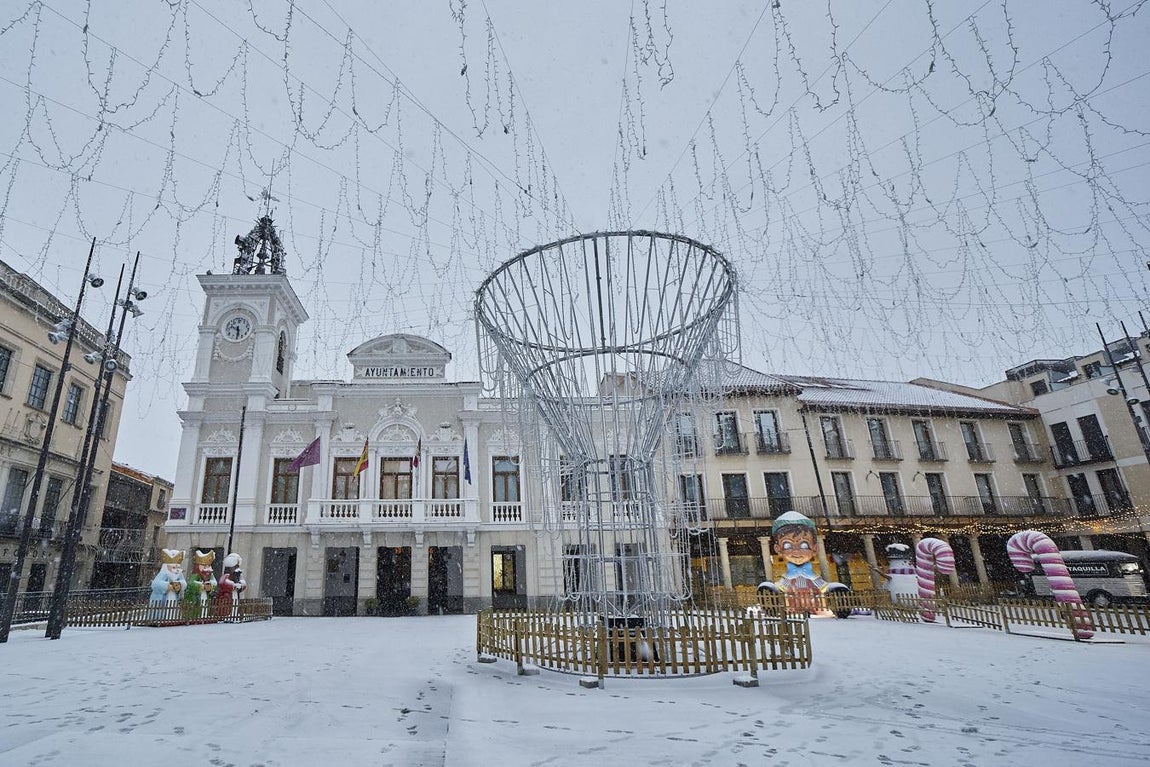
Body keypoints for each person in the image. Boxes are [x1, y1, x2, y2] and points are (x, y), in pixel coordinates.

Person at [149, 550, 186, 619]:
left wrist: (180, 584)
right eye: (174, 567)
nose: (176, 570)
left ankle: (171, 618)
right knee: (161, 612)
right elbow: (155, 584)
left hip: (173, 597)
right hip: (161, 599)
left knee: (172, 609)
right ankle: (159, 618)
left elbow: (184, 582)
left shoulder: (178, 574)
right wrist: (167, 586)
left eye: (178, 567)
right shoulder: (163, 574)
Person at [184, 550, 217, 618]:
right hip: (194, 599)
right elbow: (191, 583)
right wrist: (201, 586)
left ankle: (203, 616)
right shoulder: (195, 575)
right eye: (204, 566)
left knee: (204, 608)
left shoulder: (210, 575)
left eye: (209, 566)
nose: (207, 569)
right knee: (195, 611)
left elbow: (215, 582)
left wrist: (211, 586)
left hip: (205, 597)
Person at [216, 552, 247, 619]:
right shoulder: (226, 575)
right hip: (227, 595)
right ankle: (226, 615)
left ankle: (234, 614)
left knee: (235, 604)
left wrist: (241, 585)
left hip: (235, 594)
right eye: (235, 567)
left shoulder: (238, 575)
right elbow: (223, 582)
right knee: (227, 605)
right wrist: (233, 586)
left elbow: (243, 583)